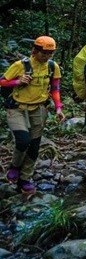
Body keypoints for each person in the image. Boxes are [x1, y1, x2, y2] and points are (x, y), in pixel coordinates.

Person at [1, 36, 65, 194]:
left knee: (34, 146)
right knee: (23, 140)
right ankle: (15, 166)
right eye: (44, 53)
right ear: (35, 51)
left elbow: (55, 89)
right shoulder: (19, 65)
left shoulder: (52, 66)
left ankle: (25, 179)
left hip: (39, 108)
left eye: (51, 53)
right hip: (17, 108)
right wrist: (17, 82)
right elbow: (2, 82)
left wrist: (58, 108)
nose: (47, 56)